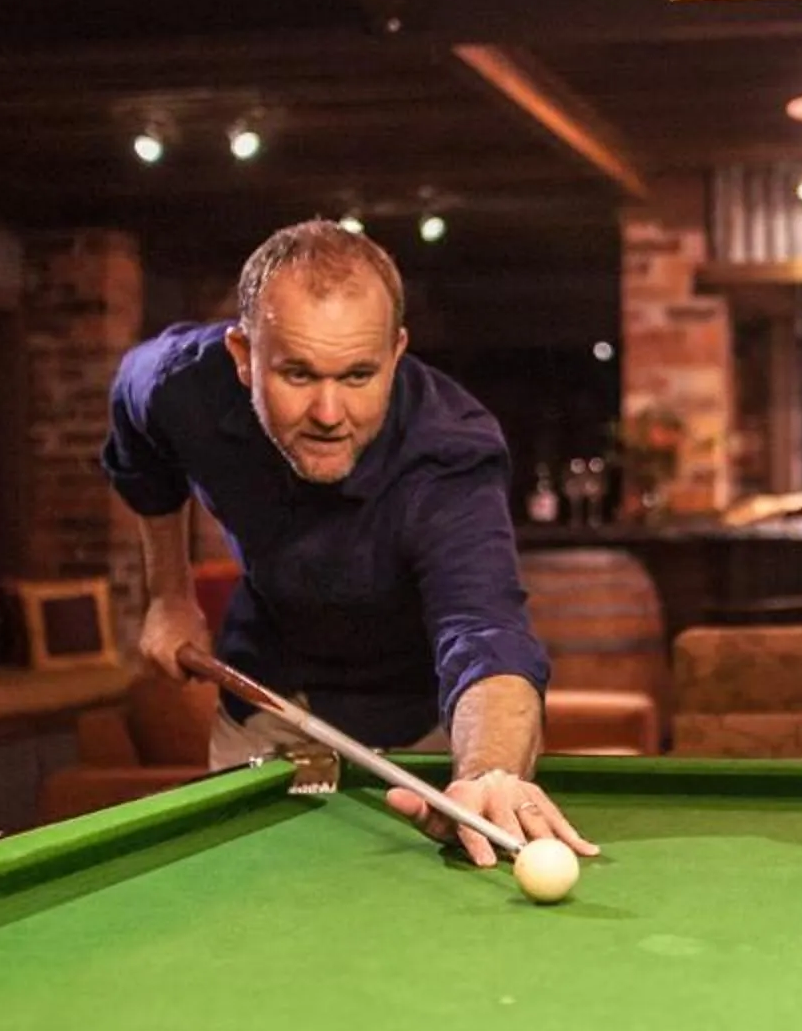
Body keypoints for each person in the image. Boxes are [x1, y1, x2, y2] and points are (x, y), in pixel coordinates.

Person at [100, 220, 595, 868]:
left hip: (419, 728)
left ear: (396, 352)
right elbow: (137, 443)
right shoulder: (180, 384)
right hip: (267, 698)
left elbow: (485, 632)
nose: (330, 414)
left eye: (360, 375)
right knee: (246, 896)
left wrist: (490, 771)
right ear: (243, 355)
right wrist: (168, 592)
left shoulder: (449, 453)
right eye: (298, 374)